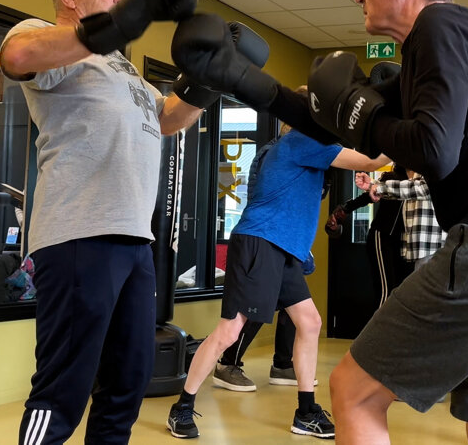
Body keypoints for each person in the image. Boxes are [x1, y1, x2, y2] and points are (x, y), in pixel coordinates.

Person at [170, 0, 468, 444]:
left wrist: (364, 118)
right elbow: (327, 123)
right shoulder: (439, 51)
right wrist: (237, 76)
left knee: (353, 391)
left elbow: (431, 150)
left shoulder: (440, 23)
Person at [0, 0, 202, 445]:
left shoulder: (121, 67)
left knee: (126, 385)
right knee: (61, 390)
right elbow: (18, 56)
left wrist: (208, 80)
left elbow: (168, 118)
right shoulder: (44, 39)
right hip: (78, 235)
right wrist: (124, 23)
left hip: (134, 240)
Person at [166, 115, 390, 440]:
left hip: (284, 248)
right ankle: (182, 407)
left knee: (310, 322)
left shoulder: (304, 148)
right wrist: (403, 136)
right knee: (230, 330)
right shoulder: (303, 141)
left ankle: (306, 412)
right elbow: (371, 159)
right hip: (261, 241)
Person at [214, 252, 316, 393]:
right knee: (258, 309)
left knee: (295, 306)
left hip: (289, 255)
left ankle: (282, 365)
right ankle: (227, 365)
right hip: (266, 252)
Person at [325, 166, 410, 310]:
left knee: (402, 291)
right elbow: (368, 196)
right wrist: (343, 210)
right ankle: (381, 331)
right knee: (385, 291)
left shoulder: (421, 182)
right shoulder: (390, 179)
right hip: (382, 237)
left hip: (405, 243)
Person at [358, 169, 444, 270]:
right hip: (420, 247)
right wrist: (372, 185)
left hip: (431, 247)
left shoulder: (433, 163)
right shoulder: (420, 168)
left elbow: (423, 188)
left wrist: (379, 187)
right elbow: (408, 189)